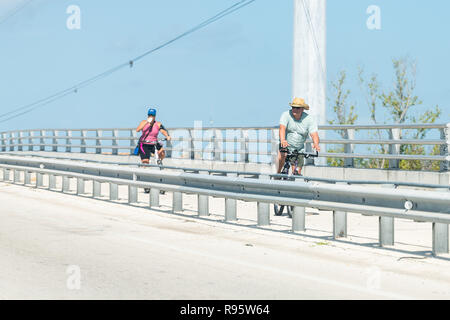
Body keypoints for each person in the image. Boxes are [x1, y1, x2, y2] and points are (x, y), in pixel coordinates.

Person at [278, 97, 321, 175]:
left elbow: (314, 134)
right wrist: (283, 140)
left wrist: (316, 144)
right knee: (282, 156)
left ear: (302, 109)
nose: (294, 109)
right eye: (293, 107)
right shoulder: (286, 115)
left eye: (297, 108)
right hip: (286, 144)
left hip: (299, 147)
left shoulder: (309, 119)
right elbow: (282, 128)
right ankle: (278, 174)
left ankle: (293, 181)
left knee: (297, 171)